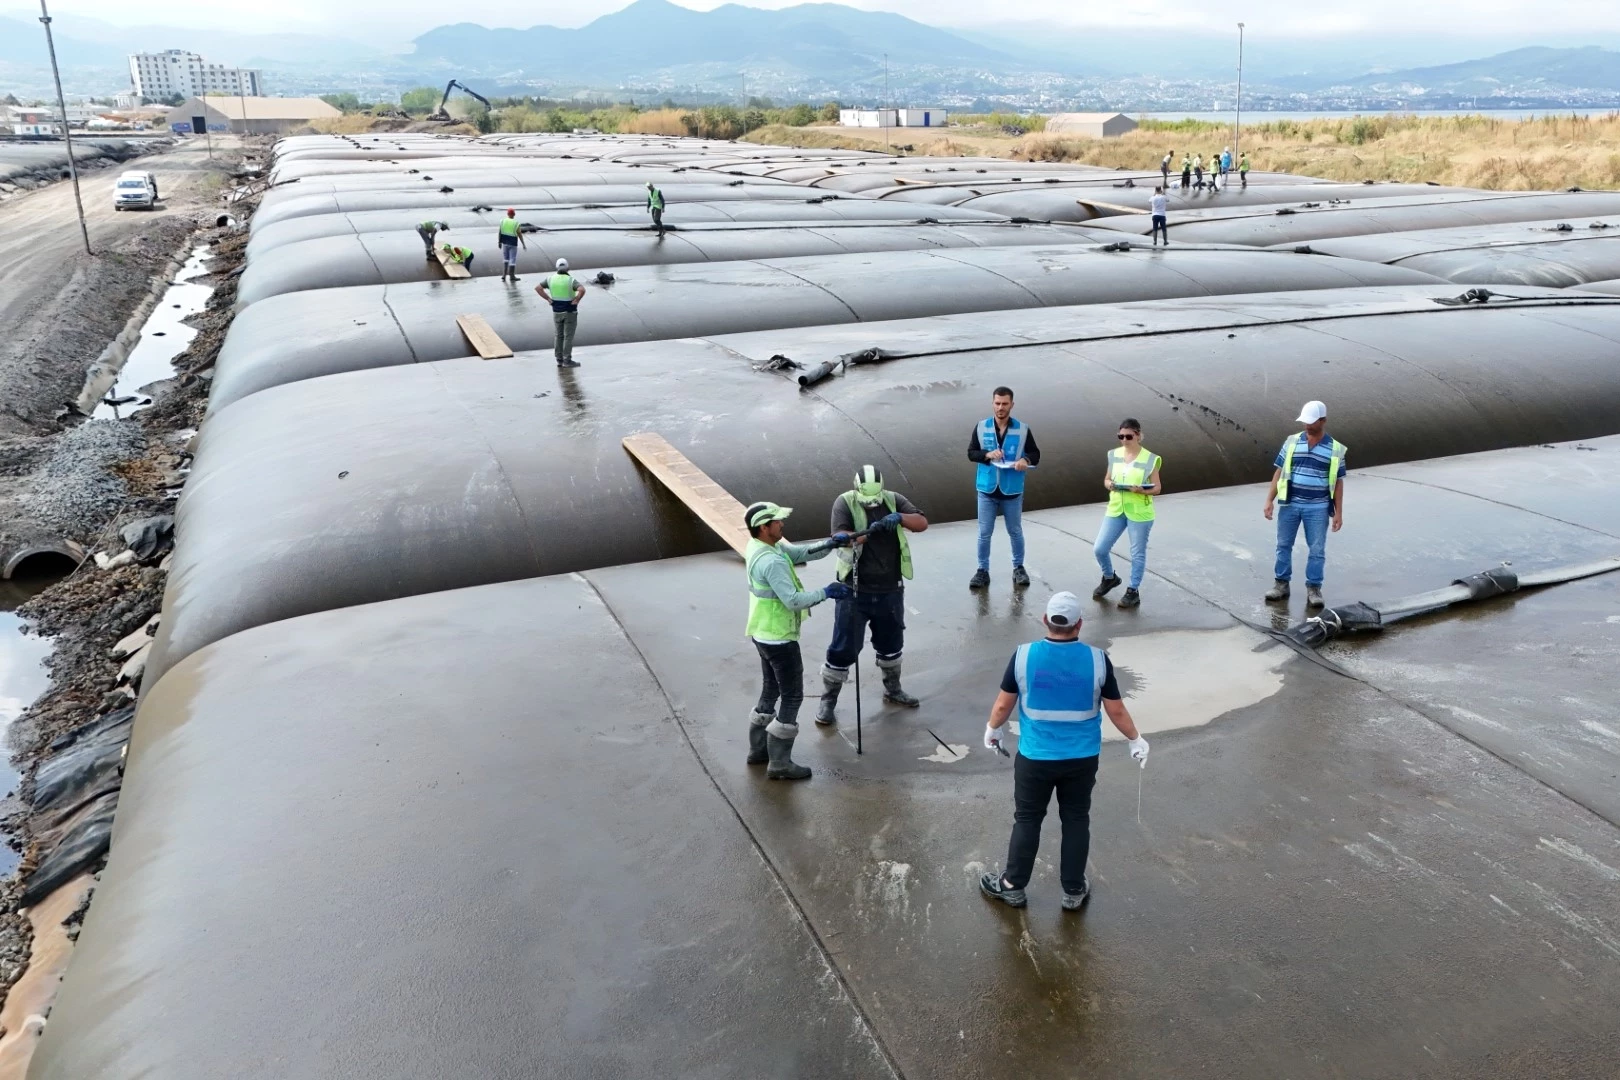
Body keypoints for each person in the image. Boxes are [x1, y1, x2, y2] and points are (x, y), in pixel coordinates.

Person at [980, 591, 1149, 910]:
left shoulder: (1023, 656)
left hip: (1035, 757)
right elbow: (1115, 709)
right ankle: (1073, 890)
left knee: (1028, 818)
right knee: (1075, 819)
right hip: (1081, 759)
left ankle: (1012, 885)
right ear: (1079, 624)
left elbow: (1004, 704)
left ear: (1045, 620)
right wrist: (1134, 739)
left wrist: (993, 728)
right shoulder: (1098, 660)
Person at [743, 501, 853, 780]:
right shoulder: (772, 562)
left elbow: (801, 553)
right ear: (764, 527)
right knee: (792, 696)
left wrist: (831, 543)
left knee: (771, 690)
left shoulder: (761, 547)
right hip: (779, 638)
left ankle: (758, 751)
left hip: (762, 633)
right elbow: (792, 601)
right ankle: (779, 764)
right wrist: (827, 592)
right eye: (777, 521)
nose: (782, 524)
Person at [817, 465, 929, 724]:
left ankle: (893, 690)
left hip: (890, 588)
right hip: (854, 590)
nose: (872, 504)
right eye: (867, 501)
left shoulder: (893, 499)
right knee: (843, 648)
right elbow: (840, 536)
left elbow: (921, 523)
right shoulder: (844, 502)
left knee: (891, 644)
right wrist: (864, 534)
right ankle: (828, 701)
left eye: (875, 500)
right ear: (857, 490)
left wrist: (899, 517)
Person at [1263, 400, 1347, 609]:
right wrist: (1269, 500)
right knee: (1283, 545)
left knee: (1317, 549)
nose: (1307, 425)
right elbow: (1279, 471)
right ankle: (1281, 584)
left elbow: (1338, 482)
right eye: (1305, 421)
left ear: (1323, 420)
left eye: (1312, 422)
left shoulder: (1335, 449)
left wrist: (1338, 513)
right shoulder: (1292, 442)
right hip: (1290, 504)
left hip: (1318, 507)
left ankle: (1314, 588)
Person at [968, 386, 1039, 590]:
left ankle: (1018, 568)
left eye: (1005, 404)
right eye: (997, 403)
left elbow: (1035, 454)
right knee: (984, 533)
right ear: (993, 403)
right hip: (987, 489)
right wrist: (987, 454)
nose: (1001, 407)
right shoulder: (981, 427)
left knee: (1015, 531)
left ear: (1011, 405)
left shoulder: (1023, 429)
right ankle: (982, 570)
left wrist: (1025, 460)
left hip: (1012, 490)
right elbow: (971, 453)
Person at [1092, 418, 1162, 609]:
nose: (1124, 440)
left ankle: (1133, 590)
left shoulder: (1150, 458)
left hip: (1139, 512)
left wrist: (1141, 490)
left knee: (1137, 553)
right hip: (1116, 508)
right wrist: (1110, 485)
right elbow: (1107, 479)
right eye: (1120, 436)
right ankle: (1109, 577)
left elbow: (1157, 488)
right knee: (1100, 548)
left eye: (1128, 436)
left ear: (1138, 435)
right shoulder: (1113, 454)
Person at [537, 258, 586, 368]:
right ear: (568, 268)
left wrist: (548, 299)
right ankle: (567, 360)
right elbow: (582, 290)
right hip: (569, 312)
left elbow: (538, 288)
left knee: (558, 335)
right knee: (568, 336)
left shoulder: (550, 279)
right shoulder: (570, 280)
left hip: (556, 312)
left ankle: (559, 359)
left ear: (557, 267)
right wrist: (577, 299)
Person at [496, 208, 526, 283]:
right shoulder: (516, 223)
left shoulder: (502, 221)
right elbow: (519, 234)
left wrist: (499, 242)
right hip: (513, 243)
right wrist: (523, 243)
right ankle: (512, 276)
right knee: (512, 259)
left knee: (505, 258)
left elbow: (500, 232)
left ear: (507, 214)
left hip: (504, 242)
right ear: (514, 214)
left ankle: (504, 275)